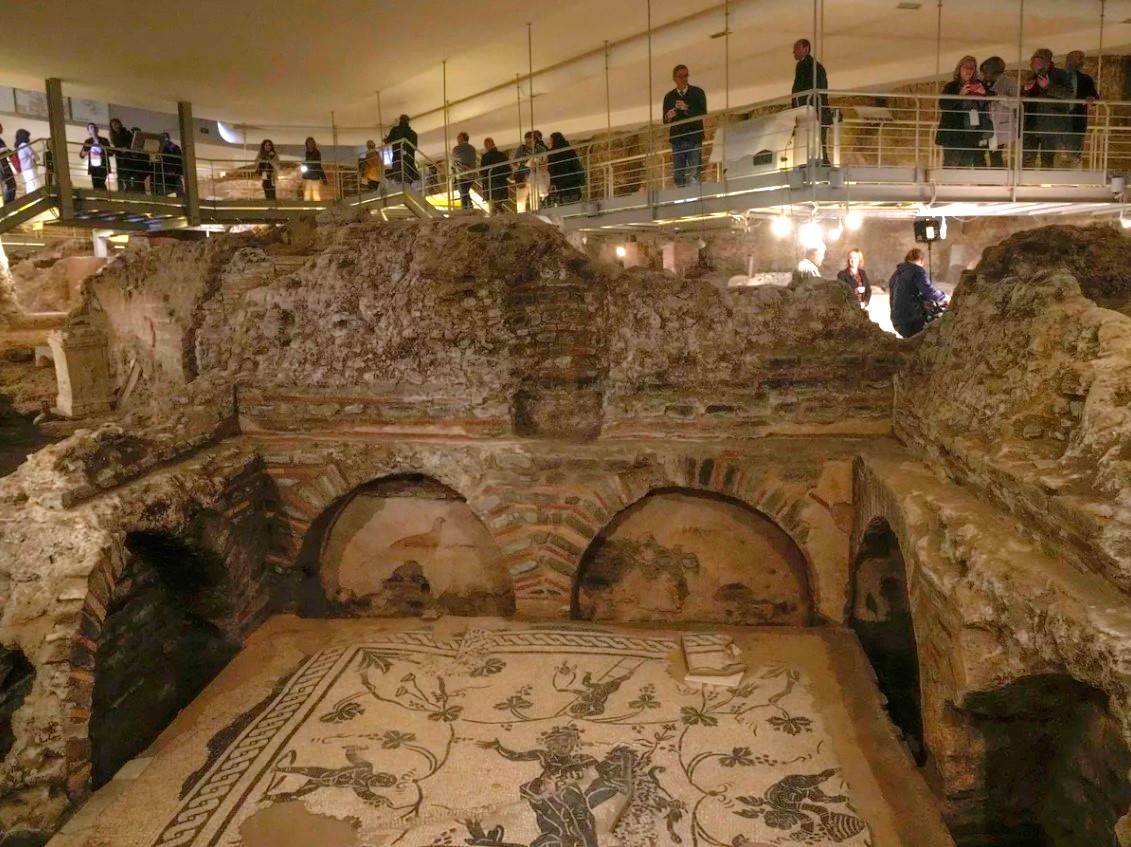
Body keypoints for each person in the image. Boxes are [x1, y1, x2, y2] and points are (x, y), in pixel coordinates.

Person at [1021, 48, 1073, 169]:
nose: (1034, 65)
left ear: (1047, 62)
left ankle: (1045, 180)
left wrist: (1048, 86)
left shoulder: (1059, 74)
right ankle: (1027, 179)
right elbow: (1024, 97)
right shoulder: (1031, 76)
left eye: (1038, 62)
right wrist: (1024, 90)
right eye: (1033, 62)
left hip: (1050, 124)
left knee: (1047, 159)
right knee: (1028, 158)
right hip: (1031, 123)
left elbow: (1068, 94)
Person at [936, 56, 990, 167]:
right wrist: (959, 96)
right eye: (966, 67)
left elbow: (991, 99)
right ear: (959, 69)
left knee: (965, 166)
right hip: (953, 134)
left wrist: (984, 94)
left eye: (972, 68)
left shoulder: (978, 85)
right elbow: (944, 105)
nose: (968, 71)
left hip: (971, 134)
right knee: (950, 164)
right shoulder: (951, 86)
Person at [662, 64, 708, 187]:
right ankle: (680, 196)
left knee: (694, 172)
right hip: (677, 139)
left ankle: (694, 196)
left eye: (686, 75)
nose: (684, 79)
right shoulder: (669, 97)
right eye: (680, 76)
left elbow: (703, 112)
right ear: (674, 78)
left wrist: (687, 108)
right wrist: (669, 116)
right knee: (678, 174)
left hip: (694, 137)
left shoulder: (697, 92)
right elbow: (665, 120)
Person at [889, 247, 949, 338]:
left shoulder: (896, 273)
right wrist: (945, 297)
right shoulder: (917, 271)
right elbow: (929, 291)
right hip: (912, 318)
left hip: (897, 318)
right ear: (922, 260)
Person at [791, 39, 832, 164]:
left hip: (812, 107)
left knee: (817, 135)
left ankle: (822, 159)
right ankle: (819, 159)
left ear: (806, 49)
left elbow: (818, 89)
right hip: (808, 107)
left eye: (797, 49)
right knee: (813, 135)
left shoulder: (812, 67)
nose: (794, 52)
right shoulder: (805, 66)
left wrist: (817, 109)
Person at [980, 57, 1018, 168]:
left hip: (999, 125)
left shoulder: (1009, 83)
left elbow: (1015, 103)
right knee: (978, 154)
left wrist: (997, 96)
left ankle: (997, 177)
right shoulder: (981, 82)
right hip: (983, 123)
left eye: (985, 71)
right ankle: (981, 177)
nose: (983, 74)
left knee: (995, 155)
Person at [1064, 50, 1099, 166]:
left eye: (1080, 59)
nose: (1079, 61)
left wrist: (1092, 98)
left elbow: (1095, 96)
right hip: (1058, 116)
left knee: (1076, 145)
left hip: (1077, 117)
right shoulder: (1057, 76)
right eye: (1077, 58)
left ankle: (1075, 163)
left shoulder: (1085, 79)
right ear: (1068, 59)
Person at [513, 130, 549, 212]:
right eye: (526, 142)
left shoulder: (541, 149)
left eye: (530, 142)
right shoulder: (522, 148)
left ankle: (534, 213)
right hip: (523, 175)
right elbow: (515, 161)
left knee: (534, 197)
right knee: (521, 198)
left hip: (534, 174)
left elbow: (544, 162)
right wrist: (520, 164)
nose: (528, 144)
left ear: (535, 141)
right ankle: (521, 214)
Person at [547, 131, 584, 205]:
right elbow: (576, 164)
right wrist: (581, 178)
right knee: (574, 198)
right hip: (573, 178)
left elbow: (552, 168)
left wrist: (553, 182)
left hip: (561, 180)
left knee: (565, 199)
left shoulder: (552, 153)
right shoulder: (569, 150)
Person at [479, 136, 511, 215]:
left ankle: (496, 217)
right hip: (502, 183)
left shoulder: (486, 157)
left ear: (486, 146)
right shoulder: (502, 155)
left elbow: (483, 171)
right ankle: (502, 215)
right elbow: (508, 170)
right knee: (499, 204)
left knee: (493, 206)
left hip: (491, 184)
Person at [384, 114, 418, 184]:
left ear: (400, 120)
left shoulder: (395, 130)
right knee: (408, 176)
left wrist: (385, 140)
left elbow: (389, 140)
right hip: (409, 158)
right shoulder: (413, 134)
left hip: (397, 157)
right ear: (408, 121)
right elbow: (415, 147)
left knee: (399, 177)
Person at [80, 122, 112, 190]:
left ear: (97, 129)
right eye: (91, 128)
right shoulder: (88, 141)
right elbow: (81, 155)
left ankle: (103, 195)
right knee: (95, 184)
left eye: (94, 127)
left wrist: (100, 153)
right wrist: (89, 151)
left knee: (101, 183)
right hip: (93, 166)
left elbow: (111, 153)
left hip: (103, 165)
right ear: (89, 131)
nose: (93, 129)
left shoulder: (104, 140)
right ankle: (100, 195)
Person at [451, 131, 477, 209]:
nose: (457, 138)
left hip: (461, 174)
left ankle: (467, 208)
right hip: (471, 174)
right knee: (464, 192)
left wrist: (453, 169)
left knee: (463, 193)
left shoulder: (457, 149)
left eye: (459, 136)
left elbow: (453, 161)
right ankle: (468, 207)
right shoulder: (472, 148)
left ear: (462, 138)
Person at [301, 136, 328, 201]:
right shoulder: (307, 153)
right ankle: (307, 205)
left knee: (315, 193)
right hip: (309, 175)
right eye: (308, 143)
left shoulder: (316, 153)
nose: (310, 144)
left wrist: (323, 178)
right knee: (307, 193)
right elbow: (316, 164)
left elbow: (318, 165)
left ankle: (316, 206)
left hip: (314, 175)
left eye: (311, 142)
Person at [157, 132, 184, 197]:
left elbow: (179, 160)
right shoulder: (159, 147)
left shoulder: (174, 148)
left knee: (178, 189)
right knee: (163, 190)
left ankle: (181, 198)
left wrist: (178, 171)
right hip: (164, 172)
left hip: (173, 172)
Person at [14, 130, 38, 195]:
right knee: (34, 185)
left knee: (29, 185)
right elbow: (34, 156)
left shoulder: (19, 147)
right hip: (30, 167)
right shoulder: (25, 145)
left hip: (24, 169)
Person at [0, 124, 14, 203]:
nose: (2, 128)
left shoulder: (1, 140)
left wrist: (8, 151)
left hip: (5, 163)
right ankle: (8, 203)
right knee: (9, 184)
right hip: (2, 166)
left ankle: (10, 202)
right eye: (1, 127)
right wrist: (5, 150)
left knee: (11, 184)